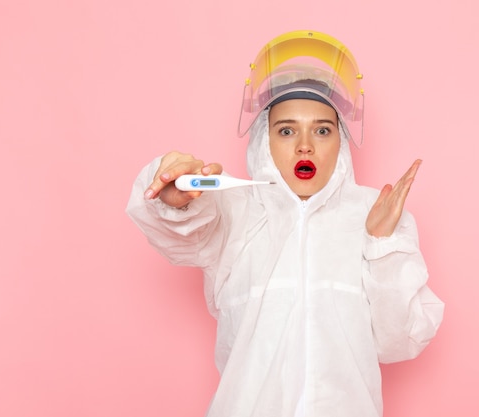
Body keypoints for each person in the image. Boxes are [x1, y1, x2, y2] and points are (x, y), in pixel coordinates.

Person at [126, 30, 444, 417]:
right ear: (265, 139)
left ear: (341, 142)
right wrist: (171, 197)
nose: (304, 145)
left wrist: (381, 245)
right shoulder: (232, 209)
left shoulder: (376, 213)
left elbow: (400, 341)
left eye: (322, 130)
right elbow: (175, 233)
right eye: (287, 130)